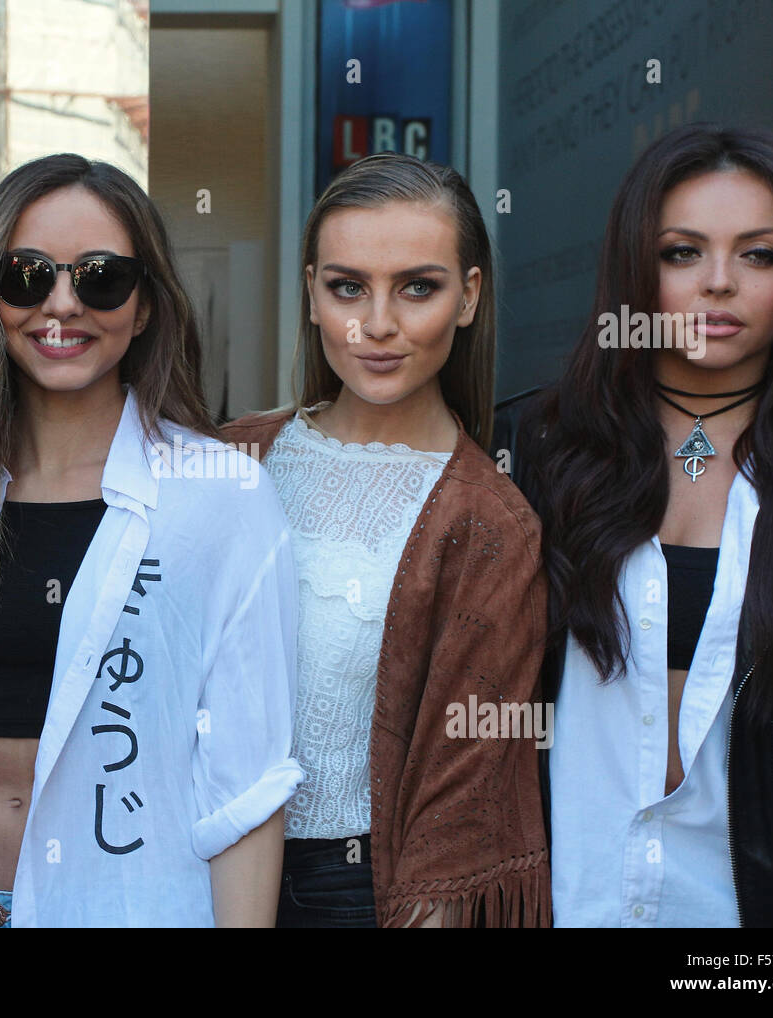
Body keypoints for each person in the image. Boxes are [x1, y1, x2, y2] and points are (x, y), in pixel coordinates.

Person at [0, 153, 301, 928]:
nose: (61, 303)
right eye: (28, 274)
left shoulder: (222, 497)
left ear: (145, 305)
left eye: (100, 277)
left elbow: (247, 785)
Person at [516, 123, 773, 927]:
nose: (718, 283)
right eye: (682, 252)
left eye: (759, 255)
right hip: (572, 902)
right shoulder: (535, 450)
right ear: (636, 268)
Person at [222, 152, 551, 928]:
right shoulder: (228, 457)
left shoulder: (490, 523)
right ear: (311, 293)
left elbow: (460, 801)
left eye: (417, 287)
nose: (377, 323)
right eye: (347, 287)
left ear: (468, 297)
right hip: (186, 860)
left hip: (357, 893)